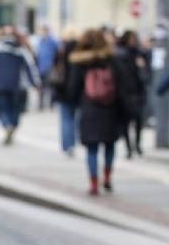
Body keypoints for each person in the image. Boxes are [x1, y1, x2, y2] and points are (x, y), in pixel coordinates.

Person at [67, 29, 135, 196]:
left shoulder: (79, 63)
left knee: (92, 149)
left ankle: (94, 183)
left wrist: (74, 104)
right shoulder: (112, 60)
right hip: (110, 109)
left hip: (89, 109)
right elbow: (124, 85)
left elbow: (72, 89)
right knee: (109, 146)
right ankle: (107, 177)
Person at [0, 25, 40, 144]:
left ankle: (7, 125)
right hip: (16, 85)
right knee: (15, 108)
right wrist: (35, 83)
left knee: (2, 108)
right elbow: (30, 67)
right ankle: (12, 125)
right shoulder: (21, 49)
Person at [115, 30, 148, 159]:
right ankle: (129, 148)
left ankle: (137, 146)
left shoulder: (139, 54)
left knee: (138, 121)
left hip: (137, 92)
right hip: (126, 93)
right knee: (127, 122)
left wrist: (141, 67)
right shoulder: (121, 55)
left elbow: (144, 76)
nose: (133, 41)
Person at [50, 28, 79, 156]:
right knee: (75, 118)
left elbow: (55, 68)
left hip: (62, 89)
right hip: (76, 91)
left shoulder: (61, 51)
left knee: (66, 118)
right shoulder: (80, 53)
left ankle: (67, 145)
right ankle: (72, 142)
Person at [35, 24, 59, 110]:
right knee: (41, 87)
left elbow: (57, 53)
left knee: (50, 87)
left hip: (50, 67)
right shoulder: (40, 41)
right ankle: (40, 104)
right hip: (41, 67)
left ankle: (51, 103)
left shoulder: (52, 41)